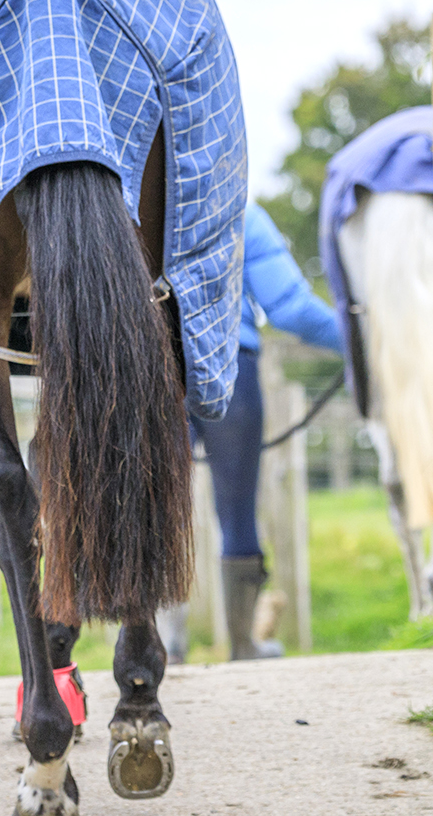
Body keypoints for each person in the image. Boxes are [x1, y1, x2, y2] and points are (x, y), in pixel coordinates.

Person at [175, 202, 343, 661]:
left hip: (154, 368)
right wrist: (359, 342)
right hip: (231, 366)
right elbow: (289, 306)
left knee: (156, 505)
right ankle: (243, 642)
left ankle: (166, 643)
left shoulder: (132, 202)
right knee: (237, 509)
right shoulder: (240, 213)